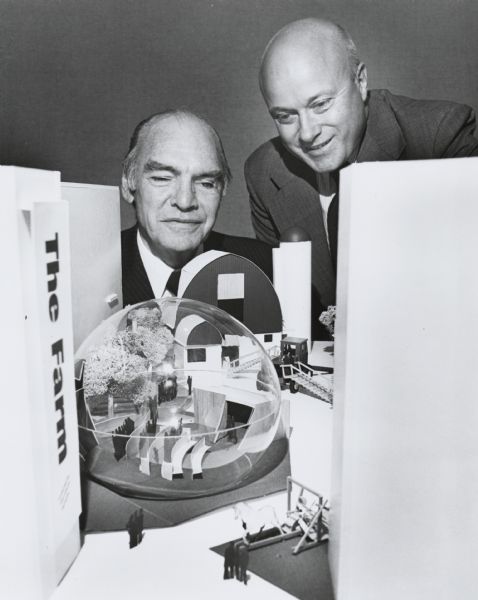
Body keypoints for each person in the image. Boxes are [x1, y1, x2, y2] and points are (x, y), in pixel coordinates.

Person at [245, 18, 478, 339]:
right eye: (286, 117)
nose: (309, 132)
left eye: (321, 104)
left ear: (361, 80)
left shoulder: (440, 135)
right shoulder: (264, 172)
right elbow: (287, 317)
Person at [121, 109, 273, 306]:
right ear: (128, 185)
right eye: (162, 178)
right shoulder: (82, 275)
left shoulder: (269, 268)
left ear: (223, 189)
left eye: (206, 183)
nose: (185, 202)